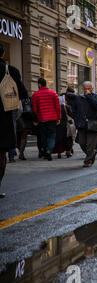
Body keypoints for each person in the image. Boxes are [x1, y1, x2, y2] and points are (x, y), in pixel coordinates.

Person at [0, 43, 28, 197]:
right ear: (3, 54)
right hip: (4, 116)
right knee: (1, 154)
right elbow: (23, 94)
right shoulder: (10, 71)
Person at [68, 81, 97, 168]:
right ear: (83, 89)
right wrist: (76, 118)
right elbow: (73, 110)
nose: (87, 90)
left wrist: (89, 95)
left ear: (92, 89)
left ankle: (88, 160)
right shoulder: (79, 98)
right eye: (85, 89)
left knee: (90, 144)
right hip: (82, 124)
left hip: (92, 123)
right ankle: (92, 154)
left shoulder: (96, 97)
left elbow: (96, 105)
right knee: (82, 142)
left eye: (88, 89)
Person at [32, 78, 61, 161]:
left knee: (43, 136)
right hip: (52, 118)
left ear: (39, 84)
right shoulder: (53, 93)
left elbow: (35, 109)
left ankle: (45, 151)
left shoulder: (35, 95)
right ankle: (49, 151)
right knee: (51, 136)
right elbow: (57, 107)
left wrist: (36, 119)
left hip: (42, 119)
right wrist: (58, 118)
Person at [52, 93, 72, 159]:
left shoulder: (55, 107)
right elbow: (71, 115)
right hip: (66, 126)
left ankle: (59, 153)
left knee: (59, 139)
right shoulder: (67, 107)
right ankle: (68, 152)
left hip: (58, 126)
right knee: (68, 139)